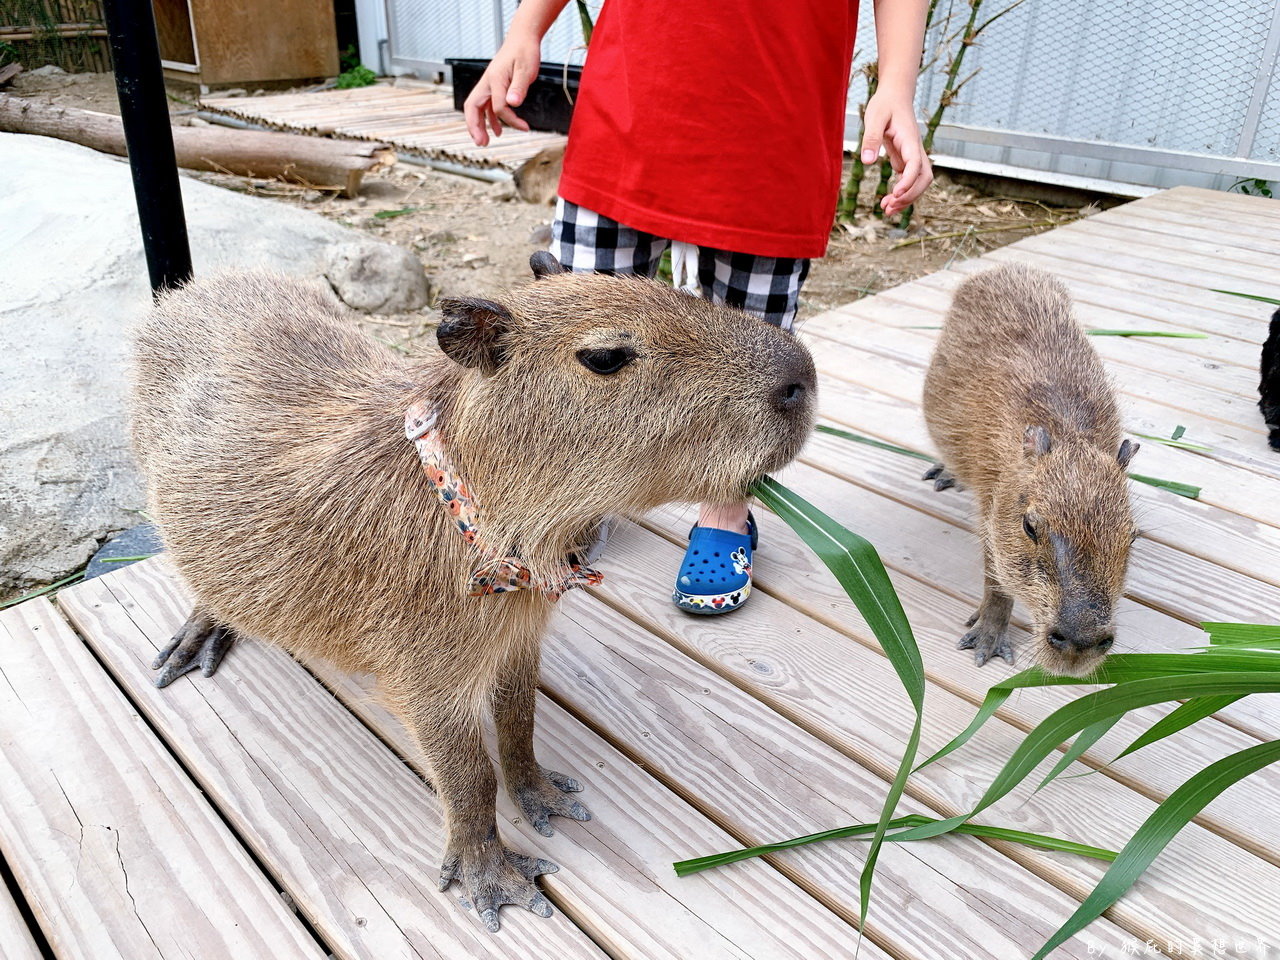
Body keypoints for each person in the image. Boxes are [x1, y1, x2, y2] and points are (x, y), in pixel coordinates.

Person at [465, 0, 933, 615]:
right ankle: (572, 489)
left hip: (774, 127)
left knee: (752, 361)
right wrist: (525, 29)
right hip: (629, 106)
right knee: (577, 332)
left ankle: (727, 509)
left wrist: (896, 82)